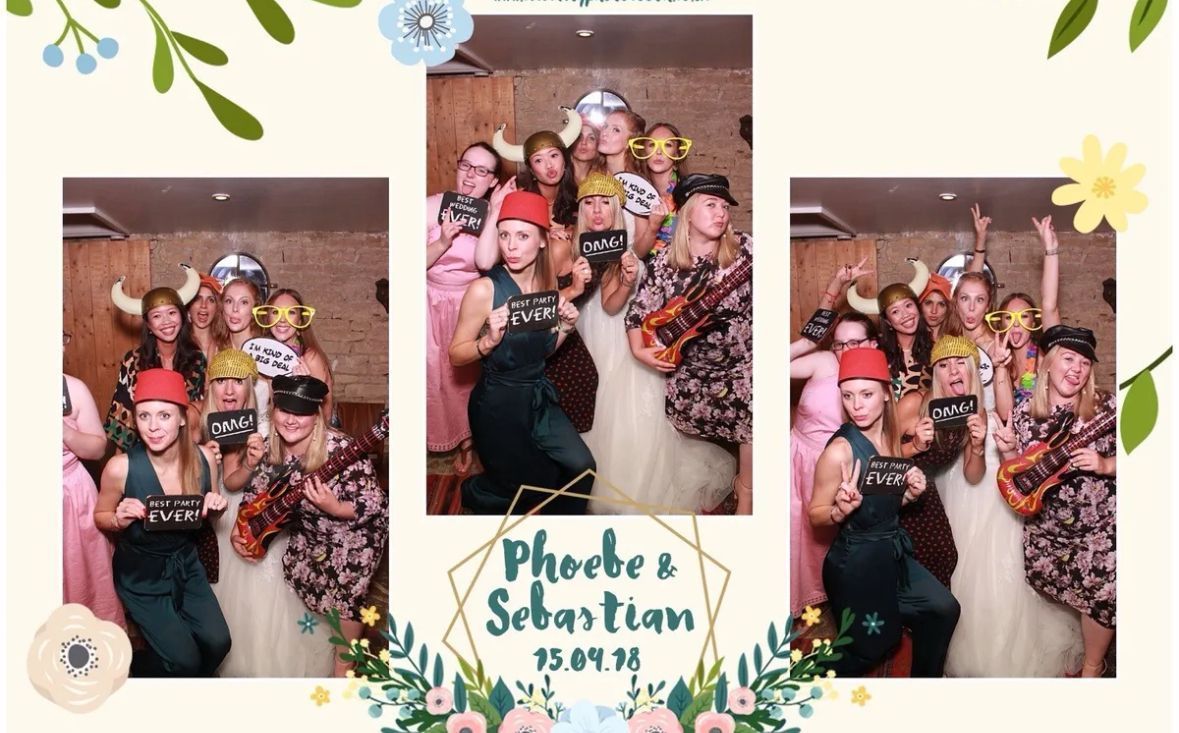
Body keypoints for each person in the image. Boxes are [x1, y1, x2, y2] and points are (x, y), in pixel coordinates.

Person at [576, 173, 734, 515]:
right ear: (579, 209)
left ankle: (637, 486)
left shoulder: (628, 245)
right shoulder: (574, 247)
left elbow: (621, 300)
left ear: (619, 208)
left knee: (636, 409)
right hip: (596, 336)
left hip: (631, 338)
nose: (597, 211)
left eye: (605, 202)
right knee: (604, 408)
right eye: (589, 203)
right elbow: (600, 303)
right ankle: (606, 480)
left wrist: (628, 278)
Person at [808, 348, 959, 677]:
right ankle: (802, 684)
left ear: (887, 394)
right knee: (873, 645)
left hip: (892, 552)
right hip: (856, 563)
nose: (856, 405)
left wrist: (908, 495)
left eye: (866, 394)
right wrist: (838, 511)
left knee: (943, 609)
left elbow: (881, 504)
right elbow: (816, 514)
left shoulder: (889, 436)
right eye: (847, 396)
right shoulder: (839, 452)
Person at [450, 190, 595, 515]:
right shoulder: (484, 289)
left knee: (582, 467)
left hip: (538, 396)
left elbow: (539, 352)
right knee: (519, 489)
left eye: (523, 236)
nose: (511, 246)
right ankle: (475, 496)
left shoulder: (546, 286)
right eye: (504, 235)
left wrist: (566, 328)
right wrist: (486, 343)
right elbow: (456, 354)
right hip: (498, 406)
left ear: (543, 240)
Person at [232, 375, 387, 677]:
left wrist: (336, 507)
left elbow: (377, 502)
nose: (290, 420)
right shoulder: (270, 447)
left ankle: (345, 665)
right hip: (309, 533)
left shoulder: (343, 448)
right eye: (284, 410)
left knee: (345, 602)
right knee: (308, 588)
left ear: (316, 415)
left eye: (301, 413)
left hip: (354, 538)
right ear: (273, 410)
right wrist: (242, 530)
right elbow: (255, 494)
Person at [625, 174, 752, 514]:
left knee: (754, 413)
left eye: (725, 207)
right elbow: (636, 316)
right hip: (690, 372)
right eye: (711, 205)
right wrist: (640, 350)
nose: (721, 213)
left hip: (741, 369)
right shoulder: (665, 264)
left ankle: (748, 492)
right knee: (679, 430)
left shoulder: (745, 250)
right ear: (689, 213)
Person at [996, 325, 1115, 677]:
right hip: (1046, 534)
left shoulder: (1106, 408)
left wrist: (1106, 465)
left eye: (1084, 363)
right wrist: (1006, 452)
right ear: (1048, 363)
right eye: (1068, 358)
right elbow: (1018, 480)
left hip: (1099, 530)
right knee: (1054, 596)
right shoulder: (1024, 415)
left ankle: (1092, 668)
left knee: (1103, 595)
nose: (1076, 369)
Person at [94, 368, 230, 676]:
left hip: (187, 564)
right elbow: (100, 516)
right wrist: (118, 518)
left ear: (182, 417)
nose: (153, 427)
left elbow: (213, 508)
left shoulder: (204, 459)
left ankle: (183, 679)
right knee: (185, 661)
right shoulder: (120, 467)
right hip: (141, 575)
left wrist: (216, 507)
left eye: (164, 416)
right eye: (144, 416)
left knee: (218, 643)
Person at [427, 142, 510, 472]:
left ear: (492, 180)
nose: (470, 175)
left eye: (481, 170)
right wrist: (442, 241)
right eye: (466, 166)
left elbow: (485, 260)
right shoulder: (431, 206)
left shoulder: (492, 214)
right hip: (428, 298)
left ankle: (467, 442)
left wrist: (492, 217)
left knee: (465, 375)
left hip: (468, 302)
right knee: (433, 375)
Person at [789, 310, 877, 614]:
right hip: (798, 457)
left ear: (873, 344)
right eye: (840, 344)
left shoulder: (876, 376)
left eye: (855, 342)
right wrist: (805, 342)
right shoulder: (825, 360)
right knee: (795, 531)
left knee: (832, 533)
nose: (845, 351)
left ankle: (831, 598)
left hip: (839, 463)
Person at [106, 265, 206, 452]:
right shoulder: (134, 361)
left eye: (172, 313)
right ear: (149, 325)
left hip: (186, 450)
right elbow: (123, 417)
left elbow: (202, 411)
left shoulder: (197, 360)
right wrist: (121, 470)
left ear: (182, 317)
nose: (166, 321)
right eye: (157, 316)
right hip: (143, 450)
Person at [63, 366, 125, 627]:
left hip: (71, 494)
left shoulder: (73, 388)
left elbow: (99, 448)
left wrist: (64, 432)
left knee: (83, 579)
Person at [846, 259, 933, 400]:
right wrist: (840, 282)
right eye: (895, 312)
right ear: (888, 321)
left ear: (918, 308)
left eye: (908, 305)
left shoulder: (935, 350)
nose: (905, 315)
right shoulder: (875, 352)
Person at [257, 288, 335, 421]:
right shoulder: (260, 356)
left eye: (291, 312)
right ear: (267, 318)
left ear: (300, 321)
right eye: (275, 312)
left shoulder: (310, 359)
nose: (282, 319)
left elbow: (325, 416)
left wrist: (305, 390)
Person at [631, 122, 690, 258]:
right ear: (644, 151)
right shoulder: (637, 193)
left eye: (667, 145)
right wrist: (653, 226)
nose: (659, 151)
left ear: (677, 153)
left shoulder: (689, 193)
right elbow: (639, 253)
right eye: (652, 144)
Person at [188, 272, 223, 364]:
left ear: (217, 308)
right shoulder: (179, 346)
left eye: (211, 300)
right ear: (189, 307)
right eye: (197, 299)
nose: (204, 305)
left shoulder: (225, 345)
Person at [570, 113, 602, 185]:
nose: (584, 142)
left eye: (591, 138)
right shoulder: (560, 175)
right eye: (579, 137)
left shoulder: (603, 180)